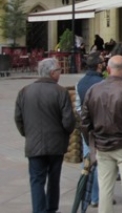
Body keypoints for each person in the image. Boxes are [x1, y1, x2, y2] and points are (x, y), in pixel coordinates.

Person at [81, 55, 122, 213]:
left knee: (105, 189)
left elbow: (84, 122)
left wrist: (92, 144)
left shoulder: (93, 90)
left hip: (103, 145)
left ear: (108, 69)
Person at [14, 58, 76, 213]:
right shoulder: (61, 92)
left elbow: (18, 117)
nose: (60, 74)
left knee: (36, 180)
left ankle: (39, 210)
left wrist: (27, 133)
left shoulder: (25, 92)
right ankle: (51, 208)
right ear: (52, 73)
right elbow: (68, 121)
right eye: (59, 71)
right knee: (53, 179)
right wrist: (65, 133)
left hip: (34, 144)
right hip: (56, 144)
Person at [75, 52, 106, 208]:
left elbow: (78, 108)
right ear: (99, 65)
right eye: (102, 61)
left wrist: (85, 120)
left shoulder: (80, 83)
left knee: (88, 161)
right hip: (101, 128)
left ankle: (86, 195)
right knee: (102, 163)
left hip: (87, 129)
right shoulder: (103, 83)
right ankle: (98, 197)